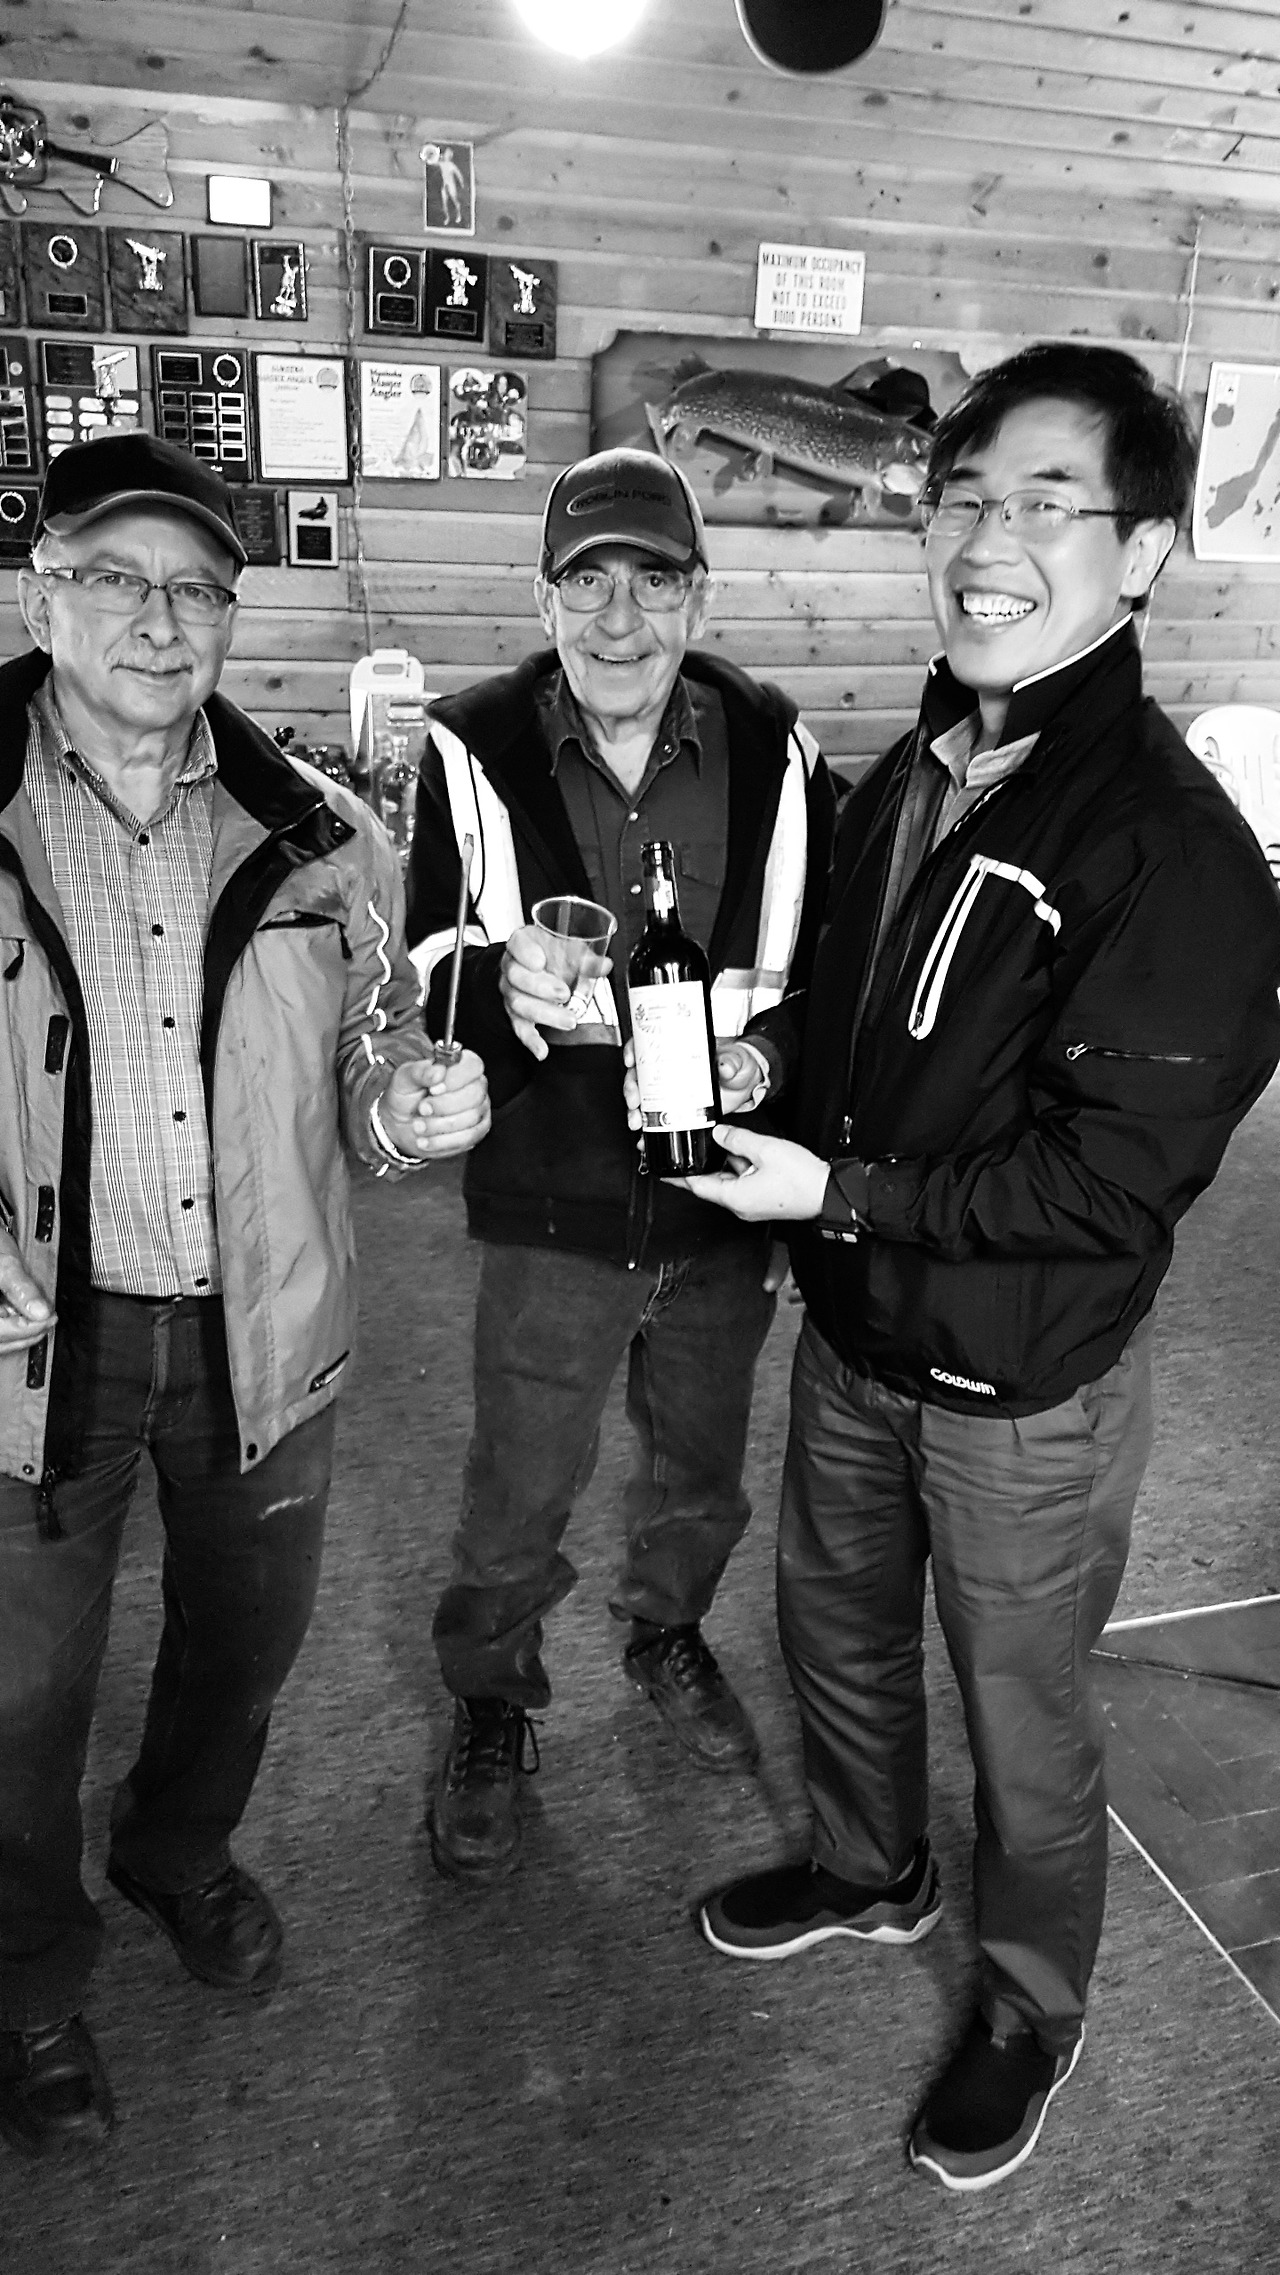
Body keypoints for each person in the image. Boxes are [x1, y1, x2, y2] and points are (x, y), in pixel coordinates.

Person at [666, 345, 1280, 2190]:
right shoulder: (928, 761)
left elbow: (1110, 1188)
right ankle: (871, 1868)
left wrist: (837, 1192)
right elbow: (854, 1013)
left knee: (1028, 1719)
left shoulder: (1175, 850)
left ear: (1144, 551)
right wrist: (762, 1061)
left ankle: (1029, 2006)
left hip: (1024, 1388)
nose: (984, 541)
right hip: (858, 1331)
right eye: (960, 500)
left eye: (1043, 505)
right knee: (836, 1634)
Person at [0, 433, 489, 2157]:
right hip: (34, 1342)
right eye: (116, 580)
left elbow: (371, 1054)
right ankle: (28, 1976)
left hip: (261, 1329)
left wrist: (412, 1103)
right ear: (42, 596)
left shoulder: (323, 836)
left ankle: (176, 1847)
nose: (160, 621)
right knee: (17, 1695)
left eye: (197, 590)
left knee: (247, 1644)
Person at [405, 447, 835, 1884]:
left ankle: (668, 1631)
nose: (619, 619)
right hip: (554, 1197)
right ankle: (490, 1698)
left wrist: (767, 1063)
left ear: (697, 597)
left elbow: (818, 975)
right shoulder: (470, 747)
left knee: (701, 1469)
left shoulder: (779, 751)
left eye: (653, 583)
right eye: (586, 584)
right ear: (545, 600)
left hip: (718, 1196)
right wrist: (498, 985)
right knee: (518, 1486)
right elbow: (430, 967)